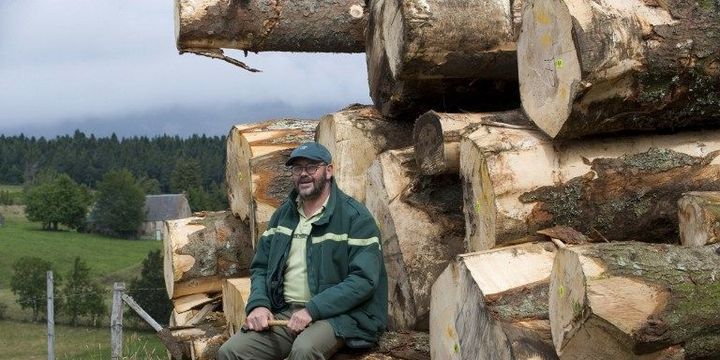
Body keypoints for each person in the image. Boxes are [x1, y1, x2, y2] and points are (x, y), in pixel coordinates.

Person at [217, 142, 388, 360]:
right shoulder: (283, 216)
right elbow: (260, 268)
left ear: (329, 171)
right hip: (287, 313)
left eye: (312, 167)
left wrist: (312, 310)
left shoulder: (355, 217)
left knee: (304, 350)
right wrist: (258, 305)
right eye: (297, 168)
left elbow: (364, 280)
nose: (304, 174)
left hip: (341, 315)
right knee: (231, 352)